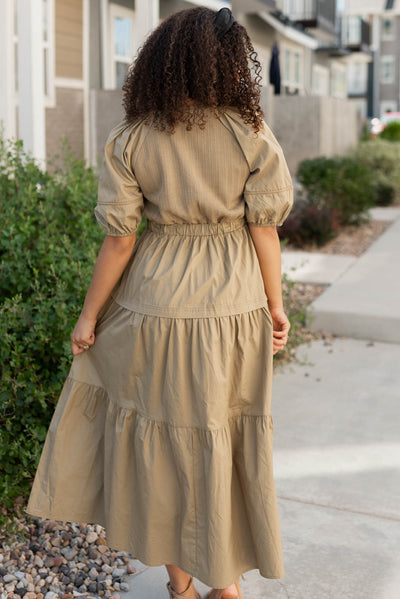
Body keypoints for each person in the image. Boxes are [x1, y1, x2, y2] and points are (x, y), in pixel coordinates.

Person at [26, 6, 293, 599]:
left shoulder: (132, 136)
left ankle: (181, 586)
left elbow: (121, 240)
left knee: (161, 440)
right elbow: (265, 232)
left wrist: (88, 317)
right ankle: (226, 585)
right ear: (229, 64)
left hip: (154, 303)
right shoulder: (250, 134)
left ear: (160, 62)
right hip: (234, 305)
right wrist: (277, 308)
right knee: (220, 438)